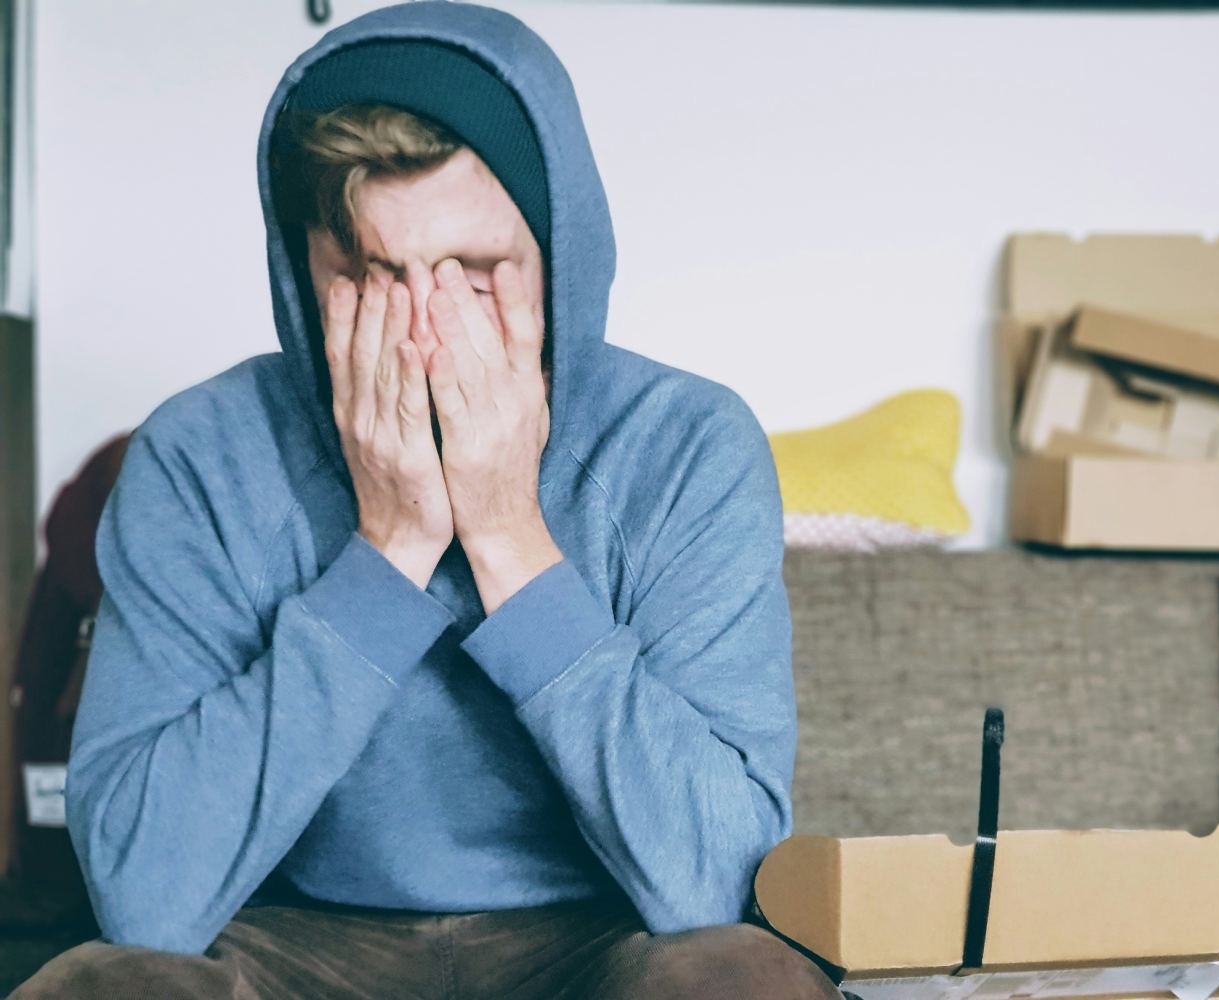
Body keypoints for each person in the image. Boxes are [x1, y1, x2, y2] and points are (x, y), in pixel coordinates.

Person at [12, 3, 840, 997]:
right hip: (292, 943)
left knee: (744, 980)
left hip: (602, 942)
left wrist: (510, 539)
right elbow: (146, 898)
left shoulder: (688, 444)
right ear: (303, 273)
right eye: (369, 276)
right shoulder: (198, 454)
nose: (424, 336)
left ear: (558, 260)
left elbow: (718, 883)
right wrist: (391, 549)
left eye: (479, 275)